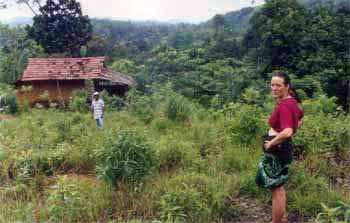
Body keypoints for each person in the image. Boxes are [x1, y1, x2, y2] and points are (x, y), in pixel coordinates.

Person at [255, 71, 304, 223]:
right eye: (272, 85)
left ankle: (276, 221)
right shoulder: (292, 102)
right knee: (279, 186)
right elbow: (300, 116)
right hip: (283, 147)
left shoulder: (284, 105)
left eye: (278, 85)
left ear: (287, 86)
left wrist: (270, 143)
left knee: (277, 189)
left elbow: (288, 131)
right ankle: (282, 218)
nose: (274, 88)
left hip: (278, 148)